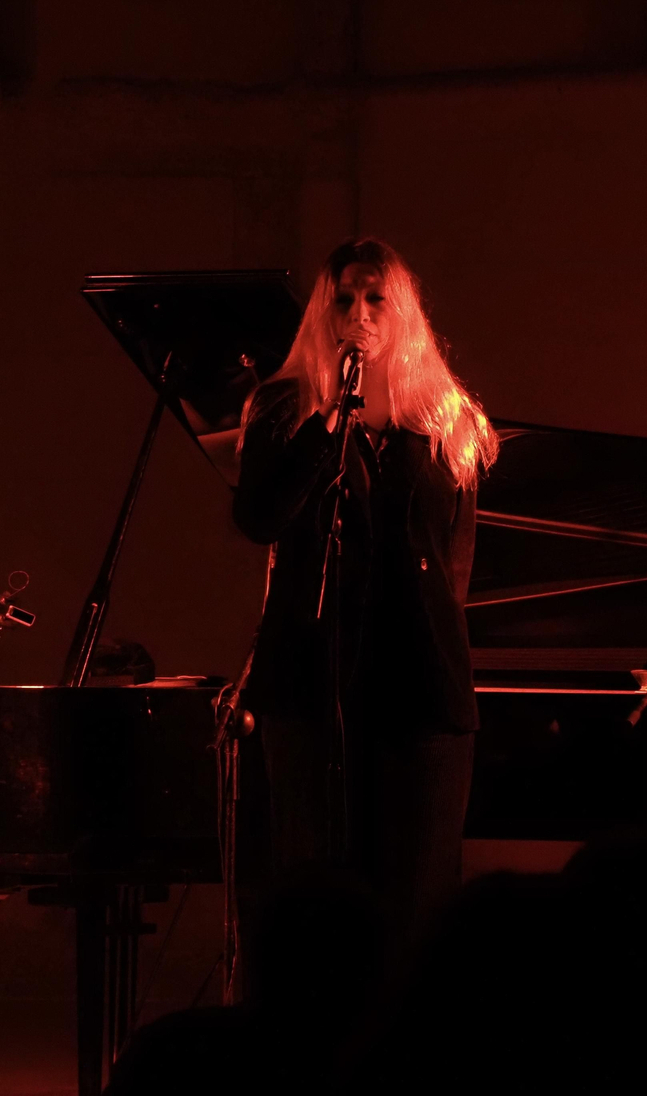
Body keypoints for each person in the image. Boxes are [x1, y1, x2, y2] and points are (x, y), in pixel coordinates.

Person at [233, 238, 499, 945]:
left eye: (374, 297)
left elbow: (455, 562)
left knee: (417, 902)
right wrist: (329, 423)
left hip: (421, 690)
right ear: (324, 312)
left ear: (401, 310)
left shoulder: (445, 418)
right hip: (311, 684)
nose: (359, 314)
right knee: (318, 900)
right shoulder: (284, 409)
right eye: (344, 299)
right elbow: (258, 517)